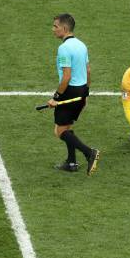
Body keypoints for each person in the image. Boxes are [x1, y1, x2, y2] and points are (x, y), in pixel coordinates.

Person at [47, 13, 100, 175]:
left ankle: (89, 152)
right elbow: (88, 70)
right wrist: (86, 93)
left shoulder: (63, 48)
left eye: (55, 26)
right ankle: (71, 163)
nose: (53, 29)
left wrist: (56, 97)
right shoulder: (81, 45)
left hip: (69, 91)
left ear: (64, 28)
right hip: (82, 90)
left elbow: (66, 77)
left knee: (60, 131)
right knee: (67, 127)